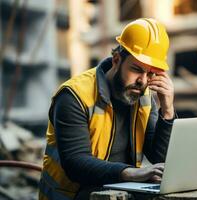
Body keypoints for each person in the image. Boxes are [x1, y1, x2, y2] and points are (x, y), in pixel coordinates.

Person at [38, 18, 176, 200]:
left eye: (150, 73)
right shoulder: (74, 95)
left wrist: (167, 111)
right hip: (71, 195)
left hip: (121, 189)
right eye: (136, 69)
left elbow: (157, 156)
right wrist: (131, 173)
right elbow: (75, 163)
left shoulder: (144, 97)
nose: (143, 81)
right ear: (117, 60)